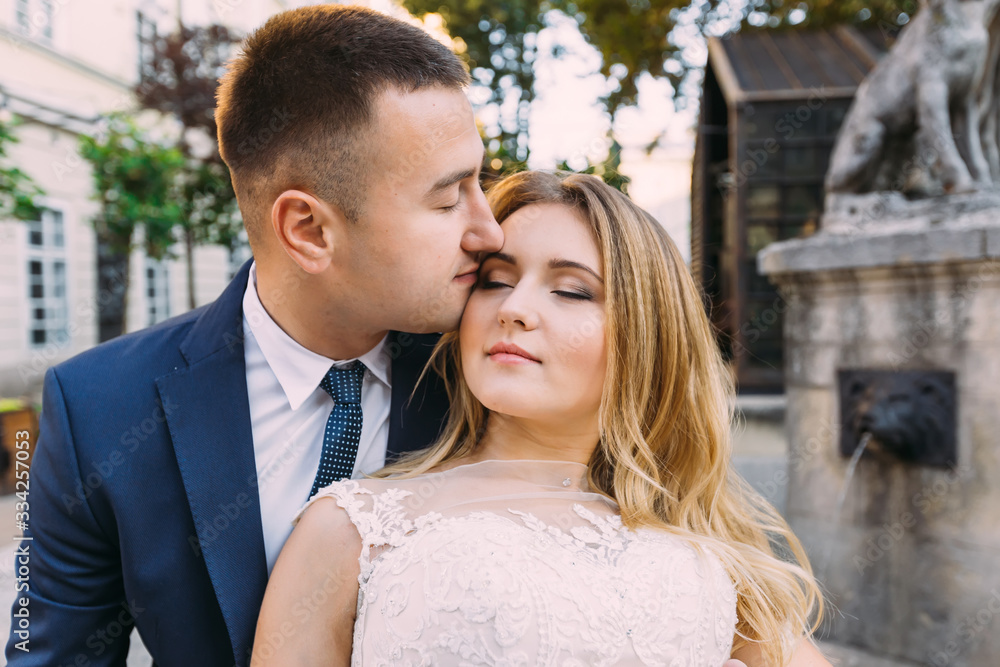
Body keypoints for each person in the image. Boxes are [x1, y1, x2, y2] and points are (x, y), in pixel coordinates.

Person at [5, 6, 503, 666]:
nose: (488, 230)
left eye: (482, 181)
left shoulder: (500, 378)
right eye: (448, 198)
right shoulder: (98, 409)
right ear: (309, 230)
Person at [253, 171, 832, 666]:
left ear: (647, 335)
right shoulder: (353, 528)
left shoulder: (705, 541)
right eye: (496, 281)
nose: (514, 309)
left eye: (573, 291)